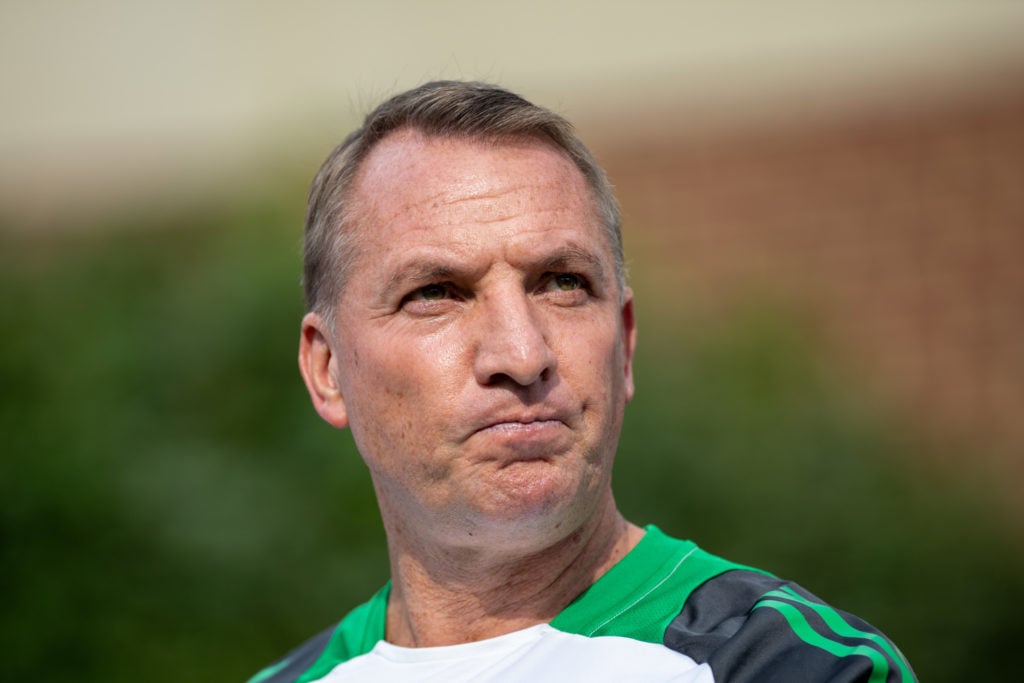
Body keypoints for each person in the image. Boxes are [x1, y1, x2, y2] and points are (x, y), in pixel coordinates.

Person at [250, 81, 916, 682]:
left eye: (563, 282)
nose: (522, 351)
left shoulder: (790, 666)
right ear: (328, 369)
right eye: (437, 292)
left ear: (624, 343)